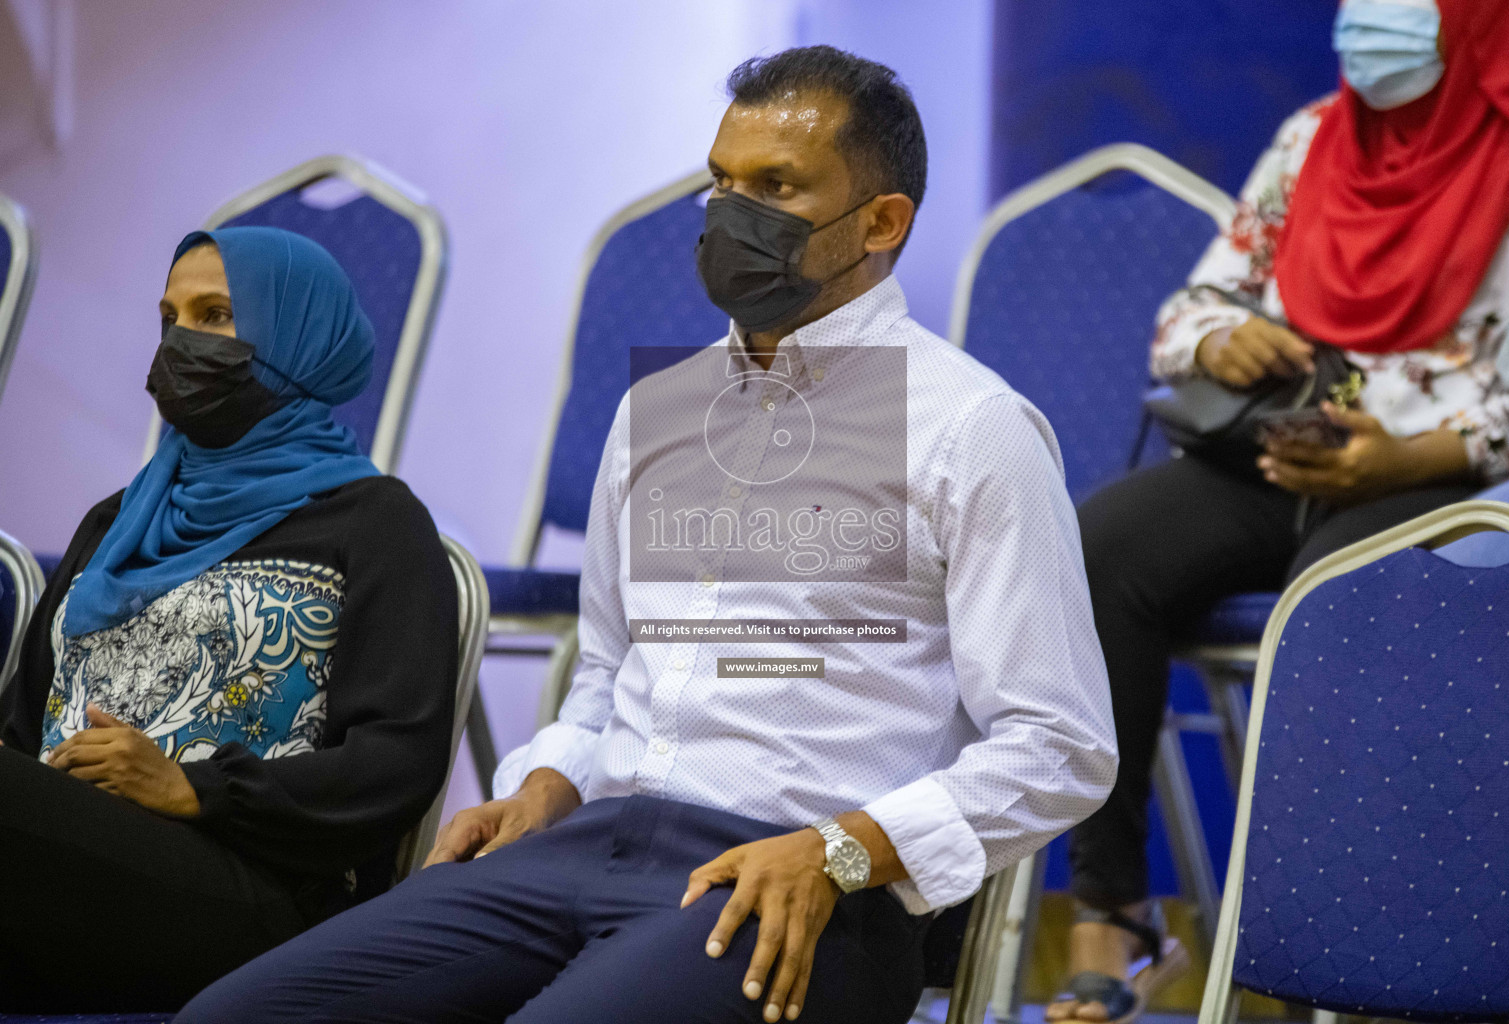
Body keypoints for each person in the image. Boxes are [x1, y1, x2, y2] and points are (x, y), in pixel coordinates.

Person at [175, 45, 1117, 1024]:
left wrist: (841, 850)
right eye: (721, 181)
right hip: (587, 845)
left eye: (776, 186)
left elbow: (1061, 745)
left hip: (792, 885)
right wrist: (543, 786)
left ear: (881, 223)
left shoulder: (968, 426)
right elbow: (606, 677)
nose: (727, 212)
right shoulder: (661, 409)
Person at [1050, 1, 1509, 1020]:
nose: (1374, 21)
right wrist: (1223, 340)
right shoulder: (1315, 136)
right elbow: (1191, 309)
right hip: (1275, 454)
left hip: (1439, 475)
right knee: (1098, 549)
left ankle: (1344, 948)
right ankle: (1116, 906)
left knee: (1347, 604)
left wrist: (1408, 455)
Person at [0, 227, 459, 1012]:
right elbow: (18, 730)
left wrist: (195, 789)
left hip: (254, 894)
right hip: (61, 859)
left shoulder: (374, 523)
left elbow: (395, 763)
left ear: (299, 336)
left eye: (213, 315)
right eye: (169, 317)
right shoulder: (117, 521)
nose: (181, 341)